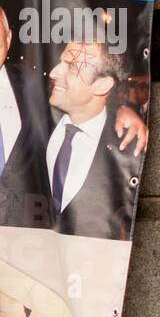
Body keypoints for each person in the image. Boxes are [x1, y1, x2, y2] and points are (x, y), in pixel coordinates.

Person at [0, 0, 148, 229]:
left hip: (32, 250)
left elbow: (82, 106)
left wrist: (122, 110)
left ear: (9, 37)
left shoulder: (35, 89)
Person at [46, 39, 139, 240]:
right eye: (60, 62)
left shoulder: (129, 148)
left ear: (101, 85)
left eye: (70, 66)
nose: (54, 72)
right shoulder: (33, 122)